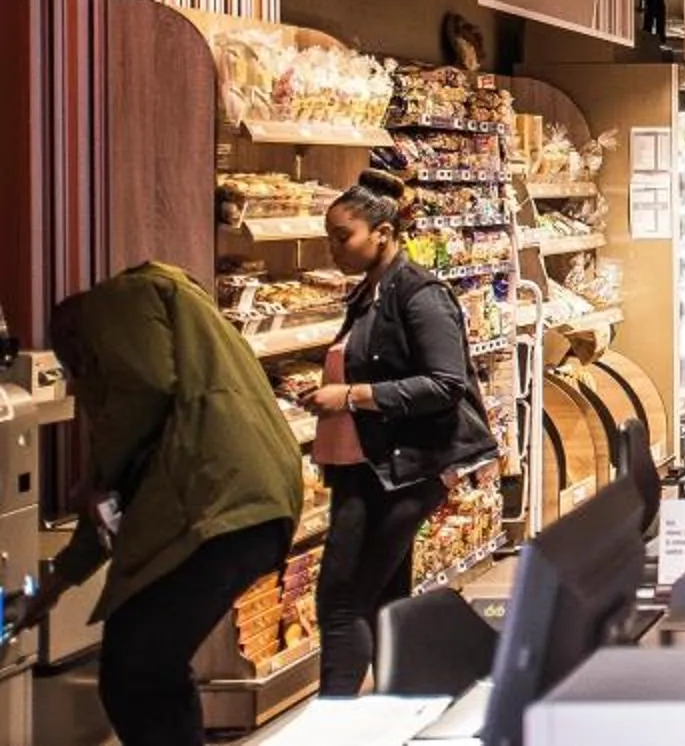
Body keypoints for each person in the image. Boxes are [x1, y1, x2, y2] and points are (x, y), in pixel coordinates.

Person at [37, 264, 304, 746]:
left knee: (136, 667)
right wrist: (61, 579)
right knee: (152, 662)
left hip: (220, 504)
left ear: (76, 337)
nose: (78, 379)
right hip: (255, 503)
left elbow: (143, 391)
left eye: (74, 363)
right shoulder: (182, 325)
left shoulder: (113, 303)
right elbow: (117, 498)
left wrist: (98, 477)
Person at [309, 168, 498, 697]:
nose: (333, 249)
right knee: (386, 594)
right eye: (329, 238)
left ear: (384, 234)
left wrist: (351, 397)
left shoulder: (419, 294)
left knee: (343, 599)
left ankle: (336, 721)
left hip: (403, 469)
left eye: (342, 237)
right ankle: (396, 705)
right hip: (370, 466)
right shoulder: (370, 291)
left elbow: (445, 383)